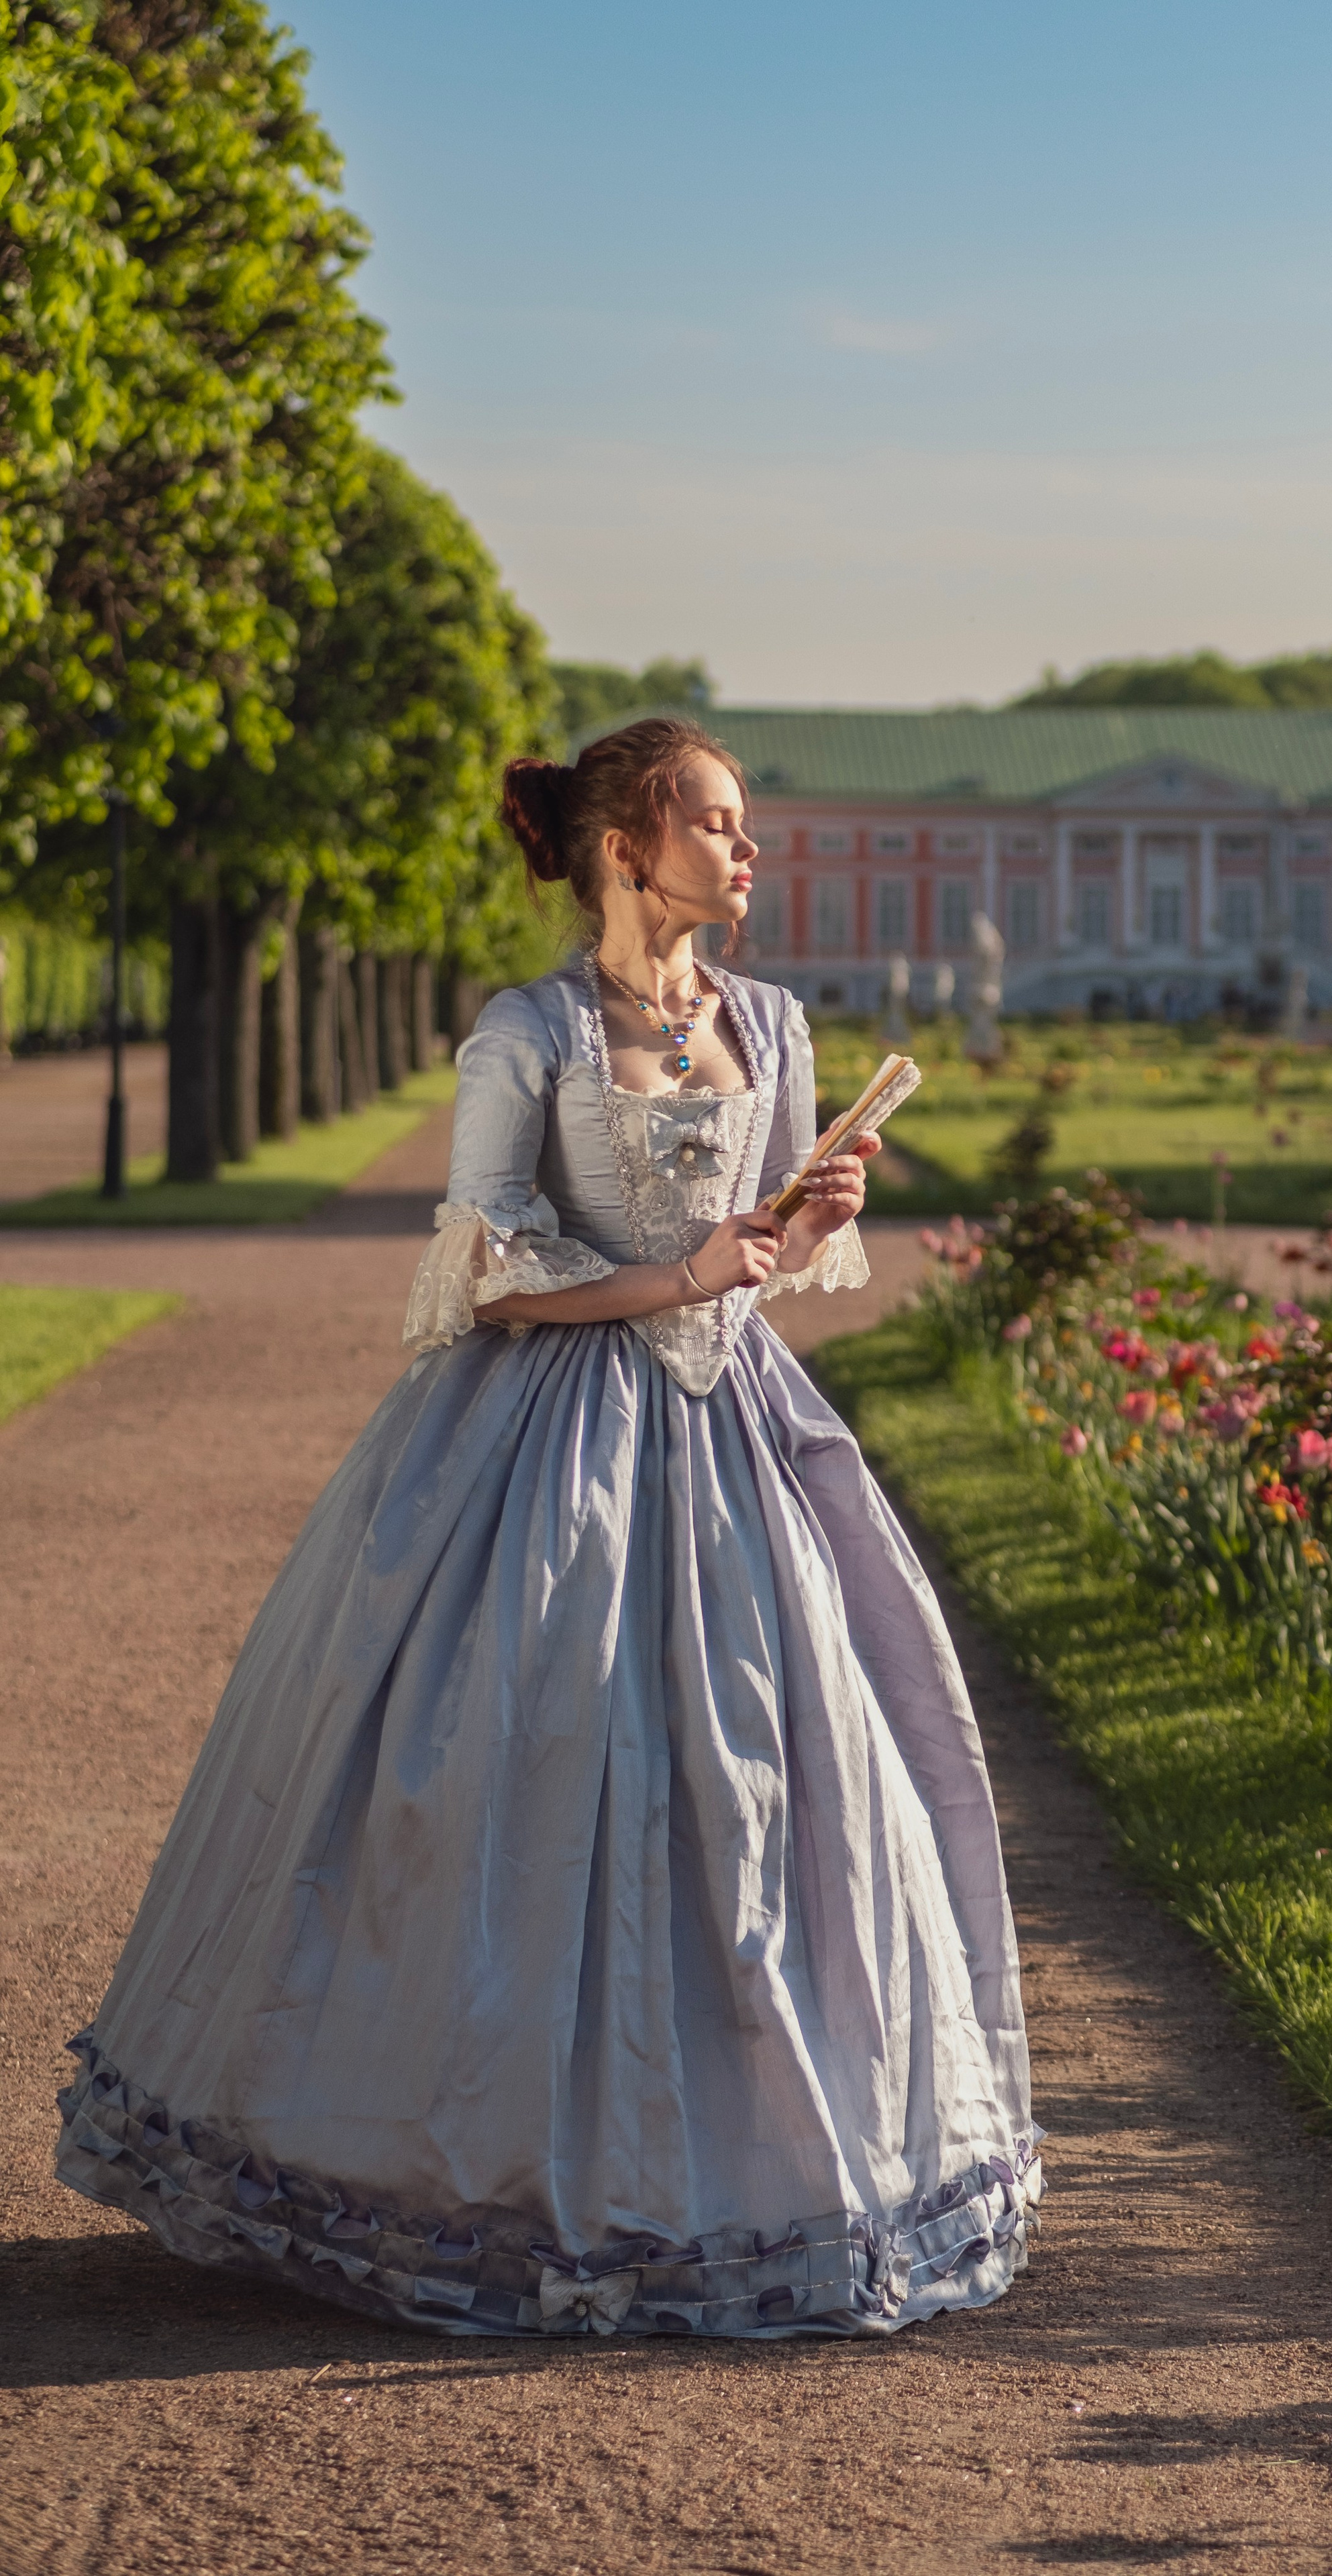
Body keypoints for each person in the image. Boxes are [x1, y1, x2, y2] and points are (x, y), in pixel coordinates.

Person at [55, 715, 1038, 2341]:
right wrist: (683, 1272)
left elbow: (771, 1259)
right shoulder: (528, 1032)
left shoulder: (773, 1024)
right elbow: (485, 1274)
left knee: (770, 1786)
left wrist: (811, 1223)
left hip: (735, 1445)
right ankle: (475, 2176)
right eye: (715, 823)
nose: (746, 850)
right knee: (516, 1769)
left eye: (743, 824)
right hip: (544, 1449)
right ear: (625, 846)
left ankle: (750, 2168)